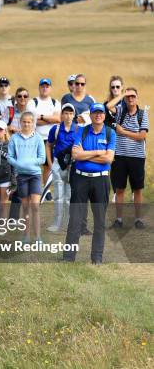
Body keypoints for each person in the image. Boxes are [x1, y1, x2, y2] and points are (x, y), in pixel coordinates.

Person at [63, 104, 116, 264]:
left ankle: (97, 258)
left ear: (104, 116)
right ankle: (68, 257)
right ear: (91, 115)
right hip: (81, 179)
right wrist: (98, 152)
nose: (98, 115)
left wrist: (85, 155)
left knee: (100, 220)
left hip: (101, 180)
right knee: (75, 219)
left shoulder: (110, 133)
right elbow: (75, 154)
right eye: (95, 113)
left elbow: (108, 159)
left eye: (101, 113)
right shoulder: (83, 131)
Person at [106, 87, 148, 229]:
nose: (130, 99)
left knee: (137, 189)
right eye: (128, 96)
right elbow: (108, 106)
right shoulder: (120, 112)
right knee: (119, 189)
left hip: (137, 158)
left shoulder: (142, 114)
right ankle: (118, 219)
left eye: (133, 96)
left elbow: (142, 136)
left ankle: (138, 219)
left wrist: (123, 131)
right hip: (120, 156)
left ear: (137, 98)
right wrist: (122, 94)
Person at [8, 111, 46, 243]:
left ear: (33, 123)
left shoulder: (38, 138)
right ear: (20, 122)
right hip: (21, 176)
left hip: (35, 175)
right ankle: (26, 235)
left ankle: (38, 237)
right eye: (24, 121)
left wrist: (29, 162)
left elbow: (42, 158)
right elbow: (10, 157)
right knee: (25, 207)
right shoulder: (14, 138)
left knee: (35, 206)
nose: (26, 124)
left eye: (29, 122)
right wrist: (18, 163)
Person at [46, 103, 77, 232]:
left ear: (74, 115)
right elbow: (49, 145)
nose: (68, 116)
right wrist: (50, 163)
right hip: (58, 164)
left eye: (70, 113)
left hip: (71, 165)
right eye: (66, 113)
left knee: (69, 196)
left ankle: (69, 224)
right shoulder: (56, 129)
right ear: (62, 115)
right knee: (58, 195)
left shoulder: (78, 129)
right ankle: (57, 224)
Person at [27, 78, 60, 182]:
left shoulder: (55, 102)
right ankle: (34, 186)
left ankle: (47, 189)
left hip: (50, 139)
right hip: (35, 138)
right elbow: (31, 120)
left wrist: (40, 117)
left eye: (47, 86)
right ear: (39, 88)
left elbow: (58, 119)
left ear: (50, 88)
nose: (45, 88)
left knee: (48, 166)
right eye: (42, 86)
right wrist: (50, 119)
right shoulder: (33, 102)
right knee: (34, 165)